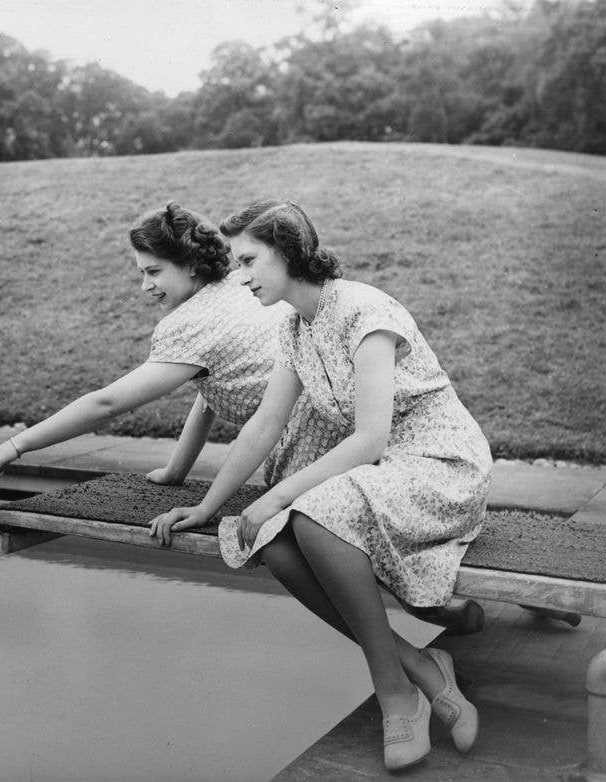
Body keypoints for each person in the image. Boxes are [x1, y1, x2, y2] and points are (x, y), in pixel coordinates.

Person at [149, 200, 491, 771]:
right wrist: (207, 505)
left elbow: (371, 438)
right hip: (381, 474)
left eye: (249, 260)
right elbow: (265, 424)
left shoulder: (363, 309)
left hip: (438, 464)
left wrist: (279, 493)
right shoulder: (293, 325)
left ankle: (394, 697)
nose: (239, 276)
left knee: (305, 511)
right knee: (270, 538)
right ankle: (421, 668)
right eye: (235, 263)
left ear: (286, 251)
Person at [0, 201, 337, 488]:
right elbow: (211, 395)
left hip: (311, 449)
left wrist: (14, 446)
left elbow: (106, 403)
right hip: (331, 427)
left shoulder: (188, 325)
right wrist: (176, 471)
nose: (145, 286)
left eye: (154, 272)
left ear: (190, 264)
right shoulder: (239, 284)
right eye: (141, 273)